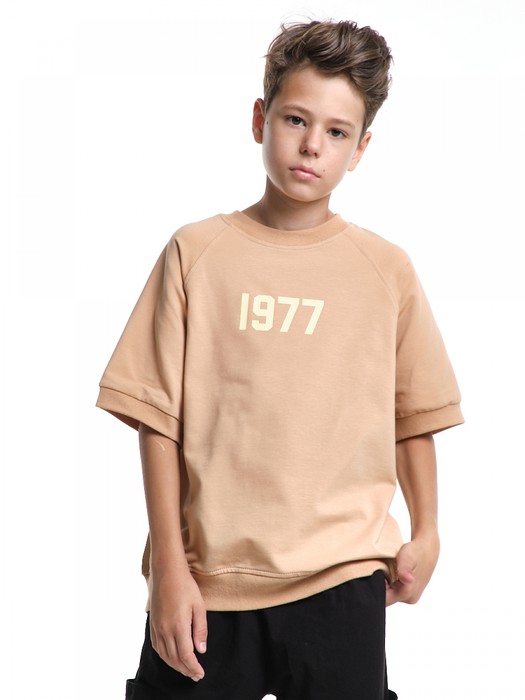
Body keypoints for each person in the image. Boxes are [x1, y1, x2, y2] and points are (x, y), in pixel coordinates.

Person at [97, 19, 463, 700]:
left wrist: (430, 530)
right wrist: (168, 570)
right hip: (208, 583)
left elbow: (414, 415)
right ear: (259, 118)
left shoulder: (384, 270)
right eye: (296, 119)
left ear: (360, 149)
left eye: (337, 132)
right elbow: (156, 421)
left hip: (341, 576)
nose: (312, 145)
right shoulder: (196, 253)